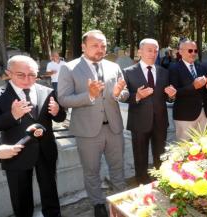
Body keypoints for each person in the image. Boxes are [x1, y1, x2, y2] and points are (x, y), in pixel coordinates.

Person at [58, 30, 128, 217]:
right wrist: (89, 95)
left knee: (118, 167)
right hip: (87, 132)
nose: (100, 49)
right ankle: (97, 203)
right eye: (95, 45)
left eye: (103, 46)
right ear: (83, 46)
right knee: (91, 171)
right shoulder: (69, 68)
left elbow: (123, 92)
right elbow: (63, 99)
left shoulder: (113, 66)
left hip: (114, 128)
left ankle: (120, 203)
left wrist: (119, 94)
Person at [0, 55, 66, 217]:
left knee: (50, 192)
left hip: (46, 151)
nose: (27, 79)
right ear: (9, 73)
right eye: (21, 75)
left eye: (32, 74)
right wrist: (12, 115)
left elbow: (60, 117)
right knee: (21, 199)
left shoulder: (47, 91)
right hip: (16, 153)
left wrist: (57, 112)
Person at [123, 38, 176, 184]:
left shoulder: (164, 72)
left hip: (160, 121)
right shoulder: (128, 72)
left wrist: (172, 96)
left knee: (160, 155)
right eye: (149, 50)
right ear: (140, 51)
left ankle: (161, 181)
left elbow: (167, 96)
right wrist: (137, 96)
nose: (153, 54)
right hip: (139, 121)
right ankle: (142, 182)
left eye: (155, 51)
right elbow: (123, 96)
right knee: (140, 156)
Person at [169, 40, 207, 140]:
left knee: (203, 148)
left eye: (195, 50)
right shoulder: (174, 68)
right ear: (180, 52)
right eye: (190, 50)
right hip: (185, 116)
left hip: (203, 113)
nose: (193, 53)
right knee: (184, 150)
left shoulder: (201, 66)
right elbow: (174, 93)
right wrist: (193, 86)